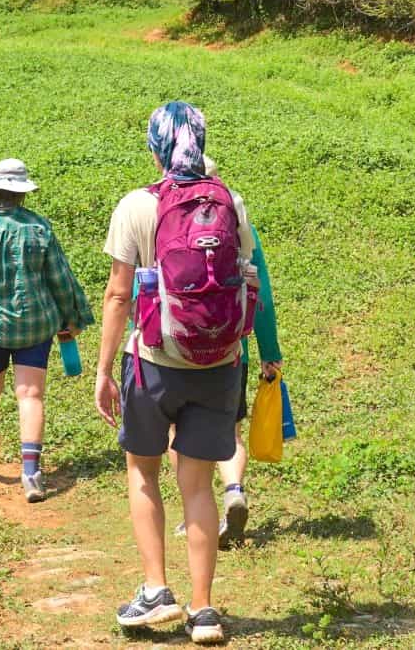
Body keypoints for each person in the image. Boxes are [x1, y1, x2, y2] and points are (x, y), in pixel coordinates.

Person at [96, 102, 255, 646]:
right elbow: (246, 274)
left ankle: (156, 590)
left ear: (156, 147)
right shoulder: (229, 200)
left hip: (153, 364)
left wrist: (103, 370)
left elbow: (119, 293)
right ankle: (204, 610)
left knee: (142, 471)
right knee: (199, 484)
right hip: (218, 365)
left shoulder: (137, 206)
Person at [0, 158, 93, 503]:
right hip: (35, 327)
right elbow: (60, 279)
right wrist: (71, 319)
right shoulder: (39, 228)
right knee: (31, 396)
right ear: (23, 194)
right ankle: (32, 474)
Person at [176, 155, 282, 550]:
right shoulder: (239, 225)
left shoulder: (163, 217)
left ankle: (194, 516)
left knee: (181, 434)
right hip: (230, 349)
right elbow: (262, 293)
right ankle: (233, 490)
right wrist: (270, 350)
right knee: (230, 429)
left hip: (175, 349)